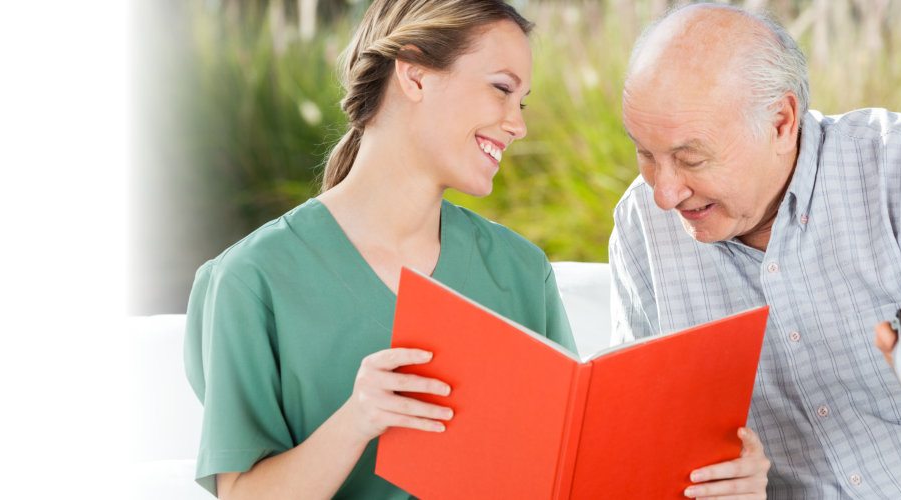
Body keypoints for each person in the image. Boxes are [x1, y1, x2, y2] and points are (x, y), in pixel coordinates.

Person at [183, 1, 767, 498]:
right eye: (500, 90)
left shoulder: (518, 270)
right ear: (413, 76)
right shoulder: (250, 280)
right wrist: (358, 419)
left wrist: (708, 477)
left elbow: (563, 476)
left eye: (523, 102)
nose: (517, 125)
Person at [610, 4, 901, 500]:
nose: (664, 193)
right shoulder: (641, 225)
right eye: (644, 152)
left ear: (781, 123)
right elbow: (640, 429)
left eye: (690, 158)